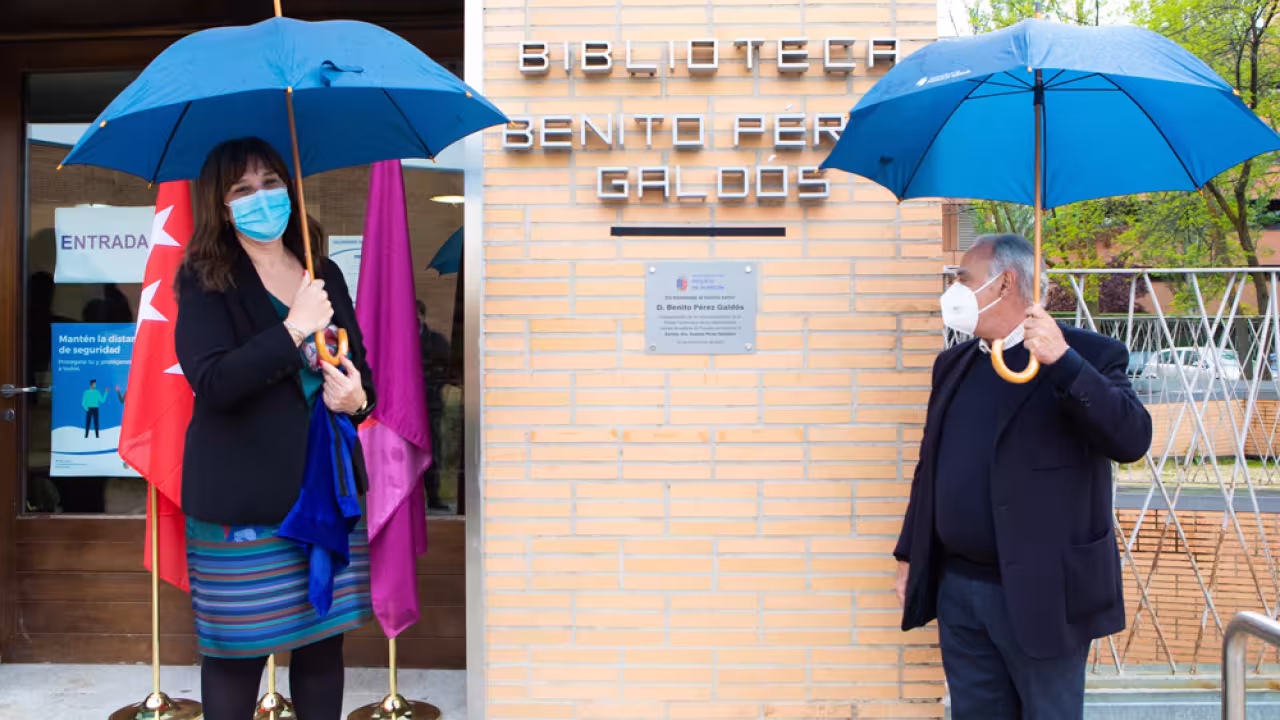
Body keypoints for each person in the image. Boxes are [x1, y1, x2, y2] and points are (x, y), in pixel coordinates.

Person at [893, 234, 1152, 719]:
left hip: (1045, 593)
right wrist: (911, 554)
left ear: (1004, 283)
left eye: (964, 280)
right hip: (961, 590)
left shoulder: (1089, 355)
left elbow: (1131, 439)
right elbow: (930, 466)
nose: (955, 292)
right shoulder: (955, 364)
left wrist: (1064, 362)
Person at [174, 137, 376, 719]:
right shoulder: (204, 277)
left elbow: (360, 374)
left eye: (271, 183)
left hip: (327, 487)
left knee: (321, 644)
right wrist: (292, 330)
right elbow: (213, 380)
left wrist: (358, 399)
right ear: (221, 203)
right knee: (237, 653)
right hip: (243, 496)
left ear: (290, 187)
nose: (261, 198)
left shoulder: (323, 272)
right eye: (243, 189)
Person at [417, 298, 453, 511]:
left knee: (433, 450)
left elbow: (448, 369)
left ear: (422, 317)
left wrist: (432, 385)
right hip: (405, 406)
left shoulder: (436, 341)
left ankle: (433, 497)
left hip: (430, 403)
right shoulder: (397, 341)